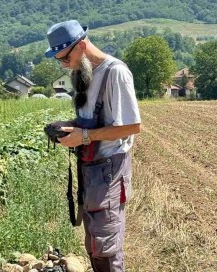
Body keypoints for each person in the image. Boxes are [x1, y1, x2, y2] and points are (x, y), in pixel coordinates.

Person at [44, 20, 141, 272]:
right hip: (90, 169)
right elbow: (92, 121)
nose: (64, 65)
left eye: (65, 58)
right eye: (60, 61)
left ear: (82, 46)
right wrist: (67, 126)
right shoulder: (84, 74)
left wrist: (84, 136)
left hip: (109, 169)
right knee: (94, 242)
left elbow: (132, 126)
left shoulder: (115, 72)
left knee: (106, 248)